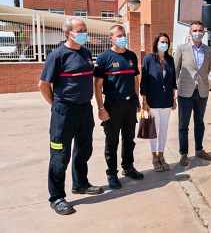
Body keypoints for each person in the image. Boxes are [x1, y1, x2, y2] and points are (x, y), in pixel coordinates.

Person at [38, 17, 103, 215]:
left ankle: (80, 184)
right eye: (80, 29)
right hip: (64, 111)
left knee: (84, 149)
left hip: (85, 108)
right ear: (68, 32)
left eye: (85, 29)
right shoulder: (57, 55)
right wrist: (57, 106)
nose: (84, 32)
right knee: (60, 155)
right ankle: (56, 197)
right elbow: (43, 85)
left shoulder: (85, 52)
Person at [94, 25, 143, 189]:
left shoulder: (131, 56)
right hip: (113, 104)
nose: (123, 37)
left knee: (129, 139)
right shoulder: (103, 57)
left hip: (130, 104)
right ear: (111, 38)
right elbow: (97, 85)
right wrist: (101, 108)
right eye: (119, 35)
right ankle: (112, 174)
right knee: (112, 141)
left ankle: (128, 167)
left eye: (124, 35)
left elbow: (136, 80)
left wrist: (137, 101)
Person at [174, 21, 211, 166]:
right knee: (183, 125)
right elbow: (176, 70)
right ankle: (183, 153)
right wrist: (174, 90)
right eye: (195, 30)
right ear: (190, 33)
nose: (197, 32)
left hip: (202, 92)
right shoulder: (181, 49)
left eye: (200, 30)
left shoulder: (209, 50)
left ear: (203, 32)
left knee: (200, 122)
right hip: (185, 92)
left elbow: (207, 69)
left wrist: (200, 82)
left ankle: (199, 149)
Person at [140, 33, 177, 172]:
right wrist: (144, 102)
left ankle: (161, 154)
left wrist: (173, 98)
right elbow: (144, 82)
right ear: (156, 43)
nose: (164, 44)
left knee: (164, 128)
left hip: (167, 99)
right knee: (153, 129)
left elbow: (173, 80)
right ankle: (153, 156)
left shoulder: (170, 60)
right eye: (162, 41)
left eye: (167, 42)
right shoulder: (149, 59)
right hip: (153, 100)